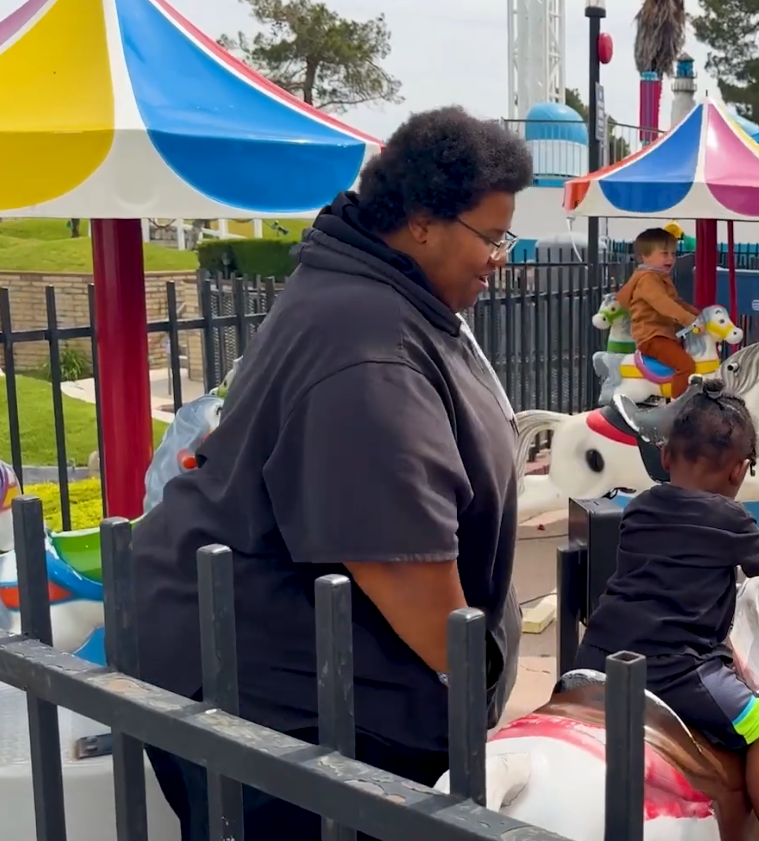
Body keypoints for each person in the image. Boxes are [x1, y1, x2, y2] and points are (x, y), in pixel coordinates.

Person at [131, 105, 531, 841]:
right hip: (278, 709)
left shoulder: (376, 290)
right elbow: (407, 575)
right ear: (420, 222)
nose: (499, 256)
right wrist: (476, 682)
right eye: (491, 236)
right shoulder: (366, 347)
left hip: (286, 676)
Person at [573, 380, 759, 841]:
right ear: (739, 472)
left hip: (596, 658)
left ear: (665, 458)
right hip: (677, 673)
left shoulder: (641, 508)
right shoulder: (731, 520)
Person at [617, 227, 699, 382]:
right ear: (644, 257)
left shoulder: (659, 276)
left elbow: (675, 301)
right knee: (686, 366)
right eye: (664, 254)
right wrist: (689, 319)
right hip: (652, 336)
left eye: (673, 254)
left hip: (662, 334)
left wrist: (698, 314)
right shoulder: (647, 279)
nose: (670, 258)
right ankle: (680, 403)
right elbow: (663, 303)